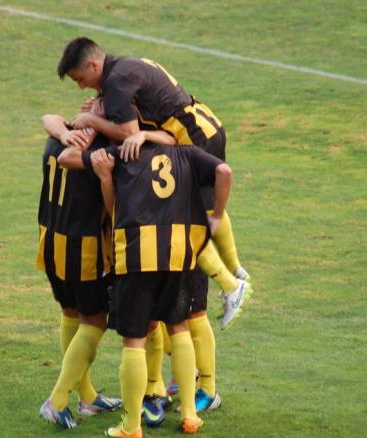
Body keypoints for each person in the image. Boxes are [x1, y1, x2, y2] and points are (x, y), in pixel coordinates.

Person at [57, 37, 252, 415]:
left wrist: (91, 120)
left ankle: (231, 286)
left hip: (192, 142)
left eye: (80, 79)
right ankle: (167, 387)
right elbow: (139, 131)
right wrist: (103, 118)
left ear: (94, 66)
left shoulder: (115, 88)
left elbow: (129, 134)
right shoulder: (125, 69)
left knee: (187, 301)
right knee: (174, 312)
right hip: (202, 129)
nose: (81, 87)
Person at [58, 141, 234, 437]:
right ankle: (190, 415)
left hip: (137, 255)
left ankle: (131, 426)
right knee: (178, 328)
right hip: (178, 254)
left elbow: (113, 208)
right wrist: (218, 213)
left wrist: (104, 176)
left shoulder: (123, 154)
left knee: (134, 341)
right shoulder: (185, 152)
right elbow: (224, 170)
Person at [36, 115, 122, 429]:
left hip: (49, 238)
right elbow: (115, 210)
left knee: (71, 312)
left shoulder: (61, 136)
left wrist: (62, 129)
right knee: (95, 321)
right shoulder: (103, 152)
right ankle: (57, 401)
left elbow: (49, 117)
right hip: (82, 245)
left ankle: (87, 396)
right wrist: (107, 177)